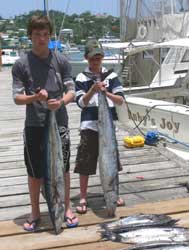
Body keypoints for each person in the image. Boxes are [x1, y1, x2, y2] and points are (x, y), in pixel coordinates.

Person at [12, 15, 78, 231]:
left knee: (64, 169)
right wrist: (34, 98)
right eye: (37, 34)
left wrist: (59, 103)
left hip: (58, 123)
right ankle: (35, 212)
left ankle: (66, 208)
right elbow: (17, 97)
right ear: (30, 35)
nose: (41, 39)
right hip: (34, 125)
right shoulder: (21, 64)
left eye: (45, 34)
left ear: (49, 36)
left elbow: (71, 91)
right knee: (34, 172)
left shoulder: (61, 60)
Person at [74, 39, 125, 214]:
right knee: (85, 163)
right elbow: (81, 103)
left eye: (98, 57)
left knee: (111, 161)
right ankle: (82, 196)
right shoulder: (81, 77)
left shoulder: (111, 76)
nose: (95, 61)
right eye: (92, 58)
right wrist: (93, 90)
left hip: (108, 128)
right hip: (89, 126)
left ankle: (113, 192)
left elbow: (120, 100)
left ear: (102, 57)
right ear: (86, 58)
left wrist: (105, 92)